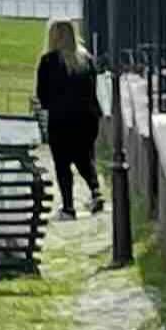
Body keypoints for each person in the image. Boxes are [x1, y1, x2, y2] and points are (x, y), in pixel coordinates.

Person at [36, 17, 106, 217]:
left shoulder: (48, 61)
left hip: (61, 119)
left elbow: (42, 95)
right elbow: (93, 90)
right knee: (85, 157)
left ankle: (68, 206)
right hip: (88, 118)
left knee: (63, 163)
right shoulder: (86, 60)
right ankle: (96, 191)